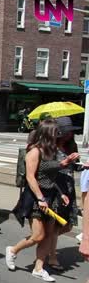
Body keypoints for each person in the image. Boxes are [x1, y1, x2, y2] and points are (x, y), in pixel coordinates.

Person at [5, 120, 71, 283]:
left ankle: (39, 268)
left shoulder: (52, 151)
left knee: (48, 235)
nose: (58, 134)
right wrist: (40, 198)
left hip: (51, 197)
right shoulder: (34, 151)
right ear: (47, 133)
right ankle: (13, 250)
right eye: (56, 132)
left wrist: (61, 193)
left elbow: (50, 177)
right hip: (36, 198)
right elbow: (30, 177)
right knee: (38, 235)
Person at [49, 116, 81, 270]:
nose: (70, 135)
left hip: (69, 187)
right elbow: (49, 169)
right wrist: (65, 162)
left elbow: (74, 167)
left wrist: (80, 165)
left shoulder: (70, 146)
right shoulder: (51, 147)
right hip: (57, 188)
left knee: (67, 225)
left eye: (71, 132)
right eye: (67, 132)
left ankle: (47, 241)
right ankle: (52, 256)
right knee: (56, 225)